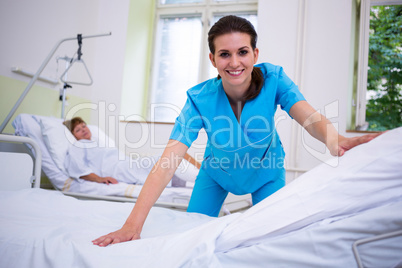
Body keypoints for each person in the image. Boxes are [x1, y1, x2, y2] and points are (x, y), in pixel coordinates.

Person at [92, 15, 382, 247]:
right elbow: (168, 162)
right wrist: (132, 225)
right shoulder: (199, 98)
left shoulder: (274, 79)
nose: (234, 62)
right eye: (224, 54)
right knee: (192, 235)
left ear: (255, 53)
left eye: (242, 52)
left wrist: (335, 140)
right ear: (212, 59)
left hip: (266, 174)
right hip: (215, 174)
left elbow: (307, 115)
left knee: (270, 241)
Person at [63, 117, 194, 187]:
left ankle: (197, 181)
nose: (83, 129)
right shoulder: (78, 146)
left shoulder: (97, 141)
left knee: (167, 159)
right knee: (165, 159)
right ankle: (200, 180)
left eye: (84, 126)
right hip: (118, 170)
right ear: (73, 135)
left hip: (126, 163)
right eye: (78, 130)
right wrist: (100, 179)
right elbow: (79, 169)